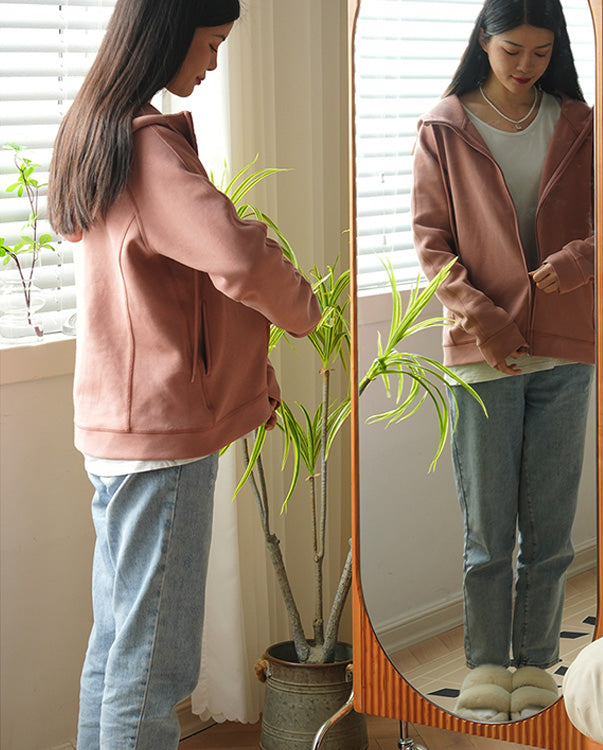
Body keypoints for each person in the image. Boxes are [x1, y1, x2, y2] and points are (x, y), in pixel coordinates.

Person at [48, 1, 322, 747]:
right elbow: (234, 255)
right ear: (170, 33)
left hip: (116, 430)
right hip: (163, 439)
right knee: (154, 670)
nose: (212, 62)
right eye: (211, 43)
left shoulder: (96, 134)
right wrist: (304, 307)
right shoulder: (150, 151)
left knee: (115, 651)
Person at [411, 0, 594, 723]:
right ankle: (488, 663)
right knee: (489, 530)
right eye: (512, 50)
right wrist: (482, 317)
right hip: (484, 351)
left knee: (549, 530)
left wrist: (579, 260)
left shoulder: (580, 123)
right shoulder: (444, 126)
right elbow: (430, 244)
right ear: (483, 42)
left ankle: (538, 659)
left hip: (567, 348)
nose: (525, 67)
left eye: (541, 54)